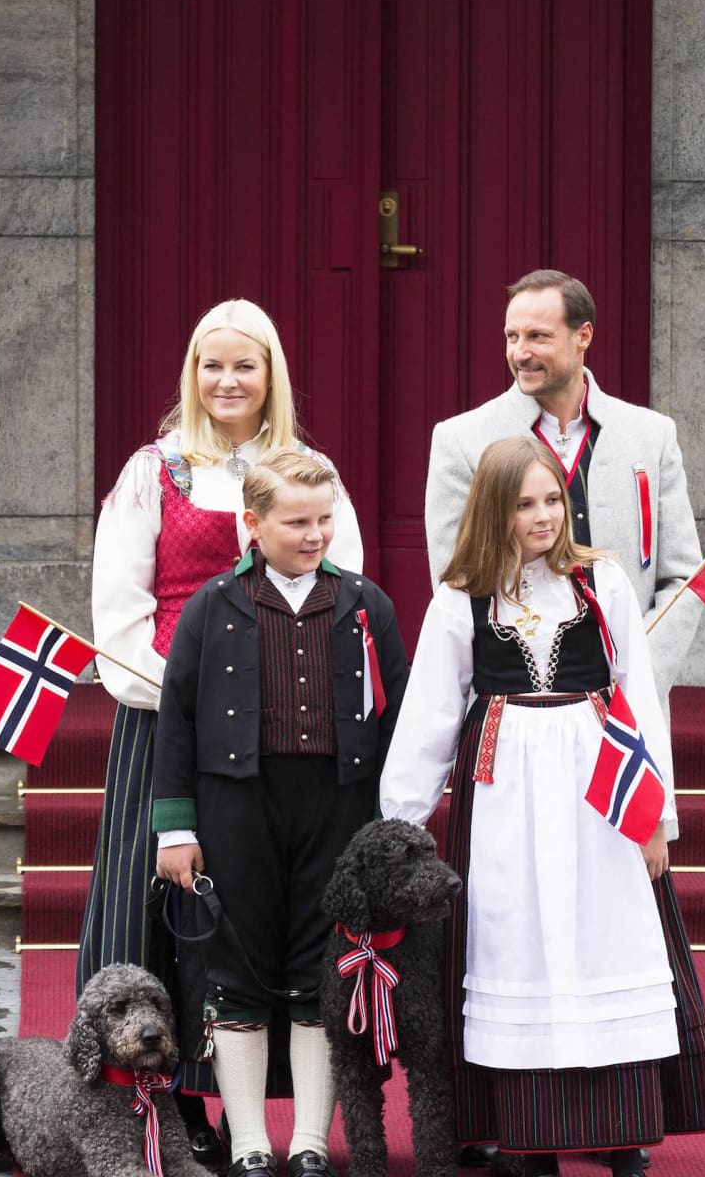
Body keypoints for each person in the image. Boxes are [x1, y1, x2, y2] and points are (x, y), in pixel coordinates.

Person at [383, 438, 705, 1177]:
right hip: (504, 795)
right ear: (494, 511)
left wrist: (655, 816)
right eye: (524, 503)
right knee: (515, 938)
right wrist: (403, 823)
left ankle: (620, 1128)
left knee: (606, 935)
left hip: (600, 790)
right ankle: (523, 1134)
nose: (542, 516)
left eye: (551, 500)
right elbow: (433, 710)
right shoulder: (463, 595)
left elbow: (638, 697)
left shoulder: (601, 583)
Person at [78, 300, 364, 1166]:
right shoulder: (152, 472)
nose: (228, 381)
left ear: (270, 373)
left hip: (275, 741)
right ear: (191, 374)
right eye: (212, 365)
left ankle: (248, 1114)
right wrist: (188, 696)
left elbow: (338, 590)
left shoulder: (307, 475)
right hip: (165, 720)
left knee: (251, 921)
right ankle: (142, 1113)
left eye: (245, 365)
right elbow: (117, 616)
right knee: (154, 912)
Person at [152, 448, 409, 1177]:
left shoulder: (365, 602)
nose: (315, 534)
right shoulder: (212, 605)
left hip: (338, 805)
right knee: (234, 969)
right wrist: (176, 827)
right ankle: (249, 1144)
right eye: (297, 521)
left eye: (324, 519)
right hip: (236, 805)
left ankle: (306, 1144)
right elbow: (175, 721)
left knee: (317, 971)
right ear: (253, 525)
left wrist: (395, 824)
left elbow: (399, 716)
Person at [424, 269, 702, 709]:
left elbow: (684, 577)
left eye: (538, 336)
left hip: (626, 707)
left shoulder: (651, 435)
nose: (520, 352)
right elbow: (456, 578)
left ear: (583, 336)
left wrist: (636, 673)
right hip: (513, 707)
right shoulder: (461, 440)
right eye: (512, 336)